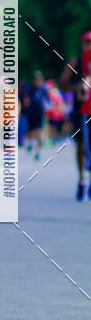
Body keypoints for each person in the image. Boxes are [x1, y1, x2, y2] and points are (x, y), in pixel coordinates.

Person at [59, 31, 91, 199]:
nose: (89, 46)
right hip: (81, 111)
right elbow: (62, 84)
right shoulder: (76, 62)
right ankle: (81, 179)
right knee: (81, 145)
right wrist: (77, 88)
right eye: (87, 43)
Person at [22, 71, 49, 159]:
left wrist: (47, 107)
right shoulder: (29, 89)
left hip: (39, 113)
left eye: (38, 79)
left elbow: (47, 101)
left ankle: (38, 150)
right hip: (30, 112)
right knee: (31, 131)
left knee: (39, 131)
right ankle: (30, 142)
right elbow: (24, 98)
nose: (37, 81)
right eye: (35, 79)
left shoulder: (43, 89)